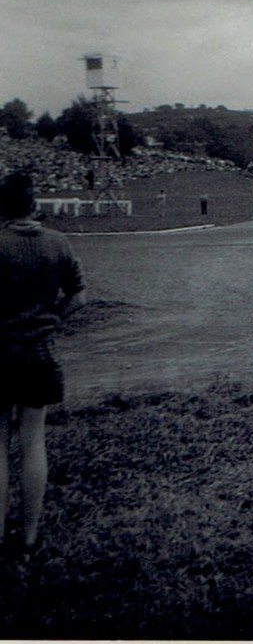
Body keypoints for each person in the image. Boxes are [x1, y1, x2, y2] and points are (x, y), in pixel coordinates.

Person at [0, 172, 85, 554]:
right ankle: (30, 535)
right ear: (34, 204)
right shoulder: (59, 242)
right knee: (33, 443)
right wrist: (51, 322)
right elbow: (78, 296)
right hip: (40, 355)